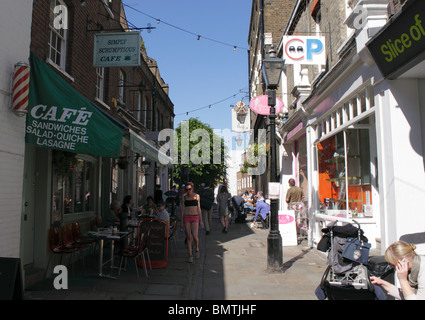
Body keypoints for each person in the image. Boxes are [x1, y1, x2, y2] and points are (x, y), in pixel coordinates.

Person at [181, 182, 203, 263]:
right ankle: (190, 255)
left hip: (195, 217)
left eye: (190, 189)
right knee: (189, 236)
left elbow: (199, 209)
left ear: (192, 188)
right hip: (187, 217)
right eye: (187, 189)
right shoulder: (184, 197)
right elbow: (182, 209)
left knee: (195, 236)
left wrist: (201, 220)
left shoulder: (197, 196)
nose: (188, 191)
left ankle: (196, 248)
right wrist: (181, 222)